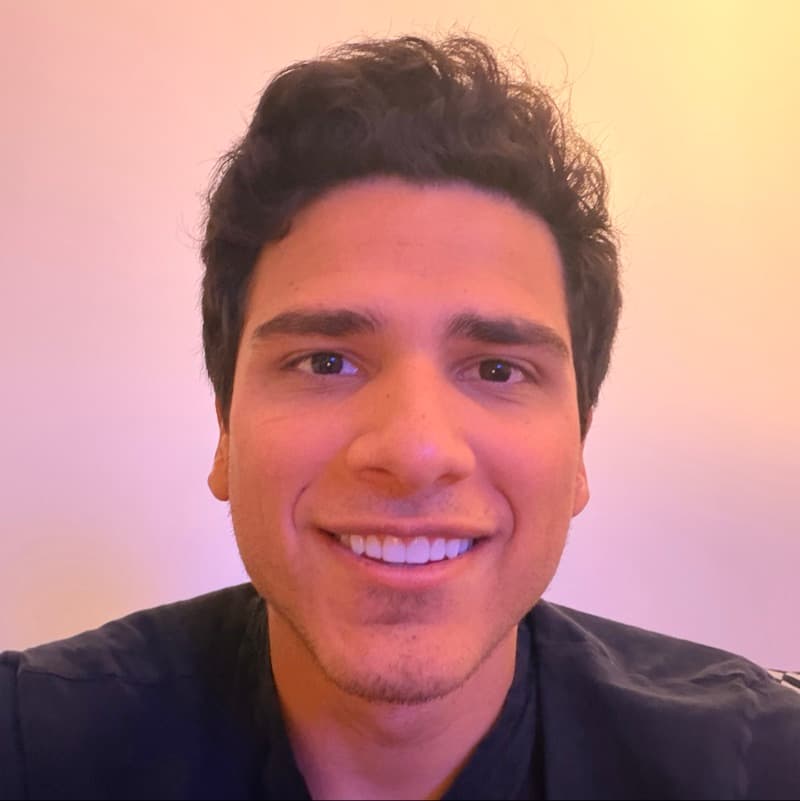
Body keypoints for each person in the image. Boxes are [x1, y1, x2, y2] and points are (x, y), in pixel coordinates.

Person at [1, 33, 798, 801]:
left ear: (580, 448)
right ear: (224, 431)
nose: (415, 450)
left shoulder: (757, 769)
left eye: (497, 369)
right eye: (325, 362)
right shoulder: (33, 752)